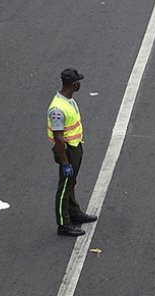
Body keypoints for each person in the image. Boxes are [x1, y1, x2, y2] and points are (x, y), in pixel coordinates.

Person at [48, 68, 97, 237]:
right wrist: (65, 163)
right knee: (64, 188)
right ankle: (63, 224)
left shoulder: (68, 100)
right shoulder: (57, 109)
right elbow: (59, 139)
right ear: (75, 84)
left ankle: (74, 213)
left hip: (75, 146)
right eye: (79, 82)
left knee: (71, 183)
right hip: (67, 151)